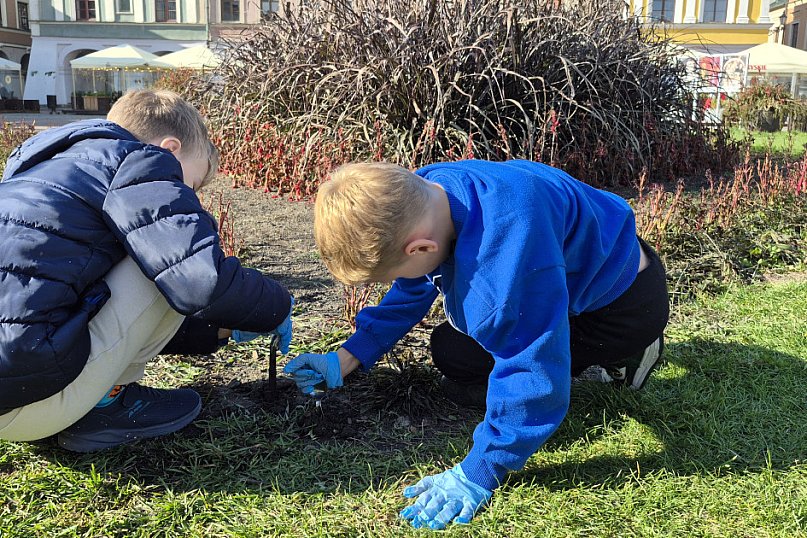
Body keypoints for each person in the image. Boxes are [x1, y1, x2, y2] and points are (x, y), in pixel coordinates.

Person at [284, 160, 669, 529]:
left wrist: (479, 471)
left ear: (420, 249)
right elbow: (414, 286)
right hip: (574, 261)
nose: (396, 280)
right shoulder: (427, 192)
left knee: (517, 353)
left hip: (624, 307)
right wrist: (348, 356)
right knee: (455, 351)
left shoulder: (499, 273)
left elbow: (531, 369)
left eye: (392, 273)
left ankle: (629, 353)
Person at [0, 89, 292, 453]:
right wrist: (279, 304)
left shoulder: (50, 166)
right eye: (192, 185)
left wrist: (220, 331)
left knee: (156, 258)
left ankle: (94, 400)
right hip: (29, 403)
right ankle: (107, 406)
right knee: (165, 257)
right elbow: (199, 282)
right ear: (169, 151)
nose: (190, 197)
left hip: (13, 385)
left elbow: (107, 310)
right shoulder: (137, 163)